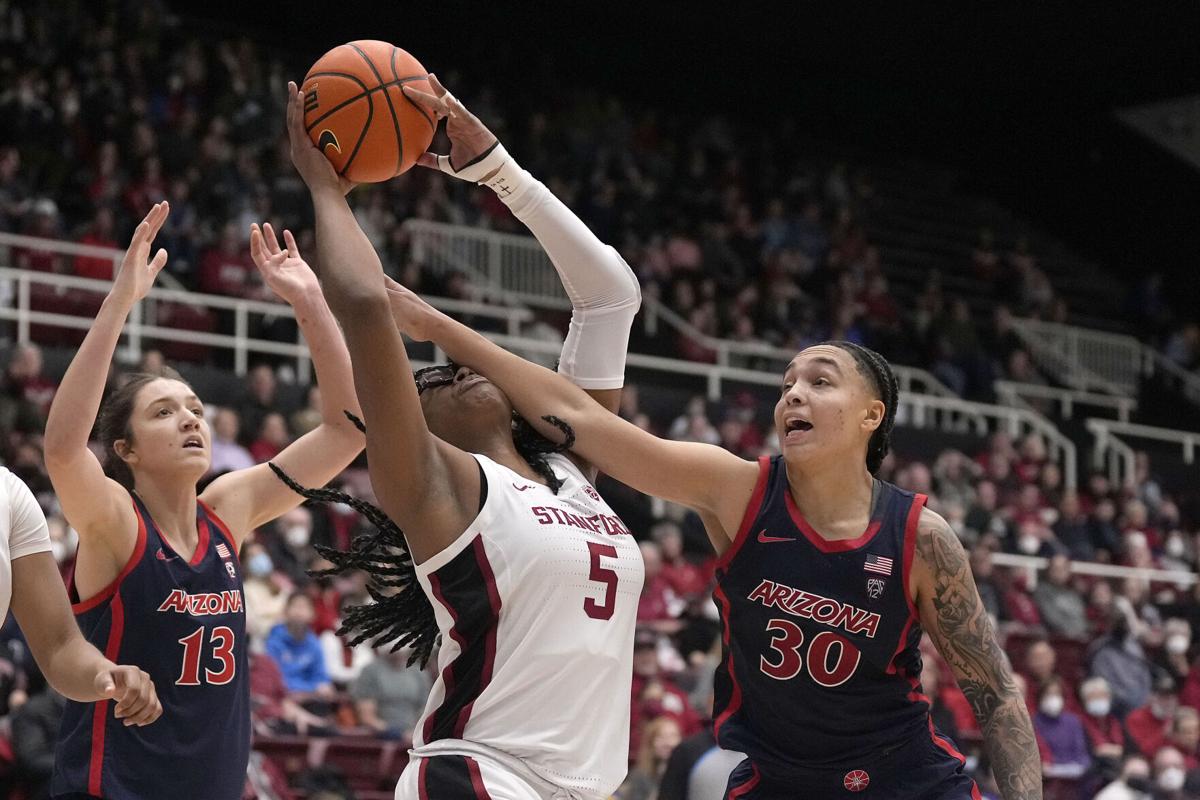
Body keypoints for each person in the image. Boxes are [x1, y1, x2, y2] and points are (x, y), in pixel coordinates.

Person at [389, 258, 1042, 794]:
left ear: (872, 416)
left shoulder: (920, 536)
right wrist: (432, 325)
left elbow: (996, 696)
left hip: (906, 781)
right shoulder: (737, 492)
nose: (794, 393)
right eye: (788, 384)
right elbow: (579, 417)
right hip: (779, 782)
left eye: (821, 382)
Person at [286, 76, 644, 800]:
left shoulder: (573, 468)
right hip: (480, 774)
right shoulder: (437, 491)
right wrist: (326, 190)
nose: (448, 370)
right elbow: (364, 304)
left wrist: (498, 172)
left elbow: (611, 298)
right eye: (427, 382)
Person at [44, 203, 364, 800]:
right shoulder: (117, 521)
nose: (191, 419)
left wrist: (310, 301)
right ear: (126, 449)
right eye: (164, 413)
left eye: (195, 408)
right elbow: (63, 450)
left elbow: (347, 431)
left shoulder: (227, 509)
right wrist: (119, 303)